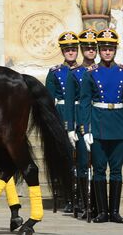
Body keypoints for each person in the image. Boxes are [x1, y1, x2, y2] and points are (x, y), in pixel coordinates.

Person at [79, 28, 123, 224]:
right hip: (98, 125)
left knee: (117, 171)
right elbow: (85, 103)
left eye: (110, 49)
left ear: (115, 50)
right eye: (104, 49)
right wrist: (85, 129)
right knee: (100, 170)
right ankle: (102, 212)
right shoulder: (91, 73)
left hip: (119, 124)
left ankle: (115, 212)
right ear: (99, 50)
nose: (107, 52)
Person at [45, 31, 80, 213]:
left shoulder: (84, 71)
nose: (71, 53)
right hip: (60, 115)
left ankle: (80, 197)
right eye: (67, 50)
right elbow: (48, 101)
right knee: (64, 157)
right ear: (62, 52)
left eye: (73, 49)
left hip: (78, 113)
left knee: (79, 159)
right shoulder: (55, 72)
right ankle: (67, 196)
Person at [66, 27, 97, 217]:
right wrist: (71, 127)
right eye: (86, 48)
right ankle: (84, 204)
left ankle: (96, 204)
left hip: (99, 120)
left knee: (97, 165)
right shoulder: (74, 72)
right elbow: (69, 103)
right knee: (83, 163)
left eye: (93, 47)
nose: (90, 51)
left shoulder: (101, 70)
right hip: (81, 121)